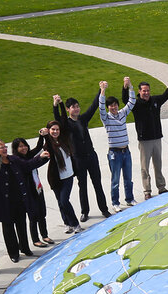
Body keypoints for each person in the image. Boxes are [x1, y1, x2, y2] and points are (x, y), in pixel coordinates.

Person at [53, 92, 111, 221]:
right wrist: (56, 105)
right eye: (73, 107)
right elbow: (57, 119)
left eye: (77, 106)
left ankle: (104, 209)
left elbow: (93, 106)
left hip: (91, 156)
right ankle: (85, 211)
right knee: (82, 185)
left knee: (97, 183)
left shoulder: (83, 119)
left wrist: (101, 92)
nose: (77, 108)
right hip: (78, 159)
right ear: (68, 109)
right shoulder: (66, 124)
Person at [126, 77, 168, 200]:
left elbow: (166, 95)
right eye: (144, 91)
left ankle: (161, 187)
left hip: (156, 138)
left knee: (158, 164)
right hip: (144, 141)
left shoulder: (155, 101)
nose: (146, 93)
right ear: (139, 92)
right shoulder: (136, 104)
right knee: (145, 167)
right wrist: (126, 87)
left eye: (148, 90)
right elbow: (124, 100)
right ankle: (147, 190)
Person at [100, 78, 137, 212]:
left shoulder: (122, 114)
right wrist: (103, 90)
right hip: (114, 153)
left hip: (126, 152)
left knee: (128, 178)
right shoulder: (106, 118)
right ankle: (115, 202)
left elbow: (132, 102)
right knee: (115, 181)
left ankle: (129, 199)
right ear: (108, 107)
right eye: (111, 105)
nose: (114, 107)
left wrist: (130, 86)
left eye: (115, 105)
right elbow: (100, 107)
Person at [11, 134, 54, 249]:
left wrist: (42, 136)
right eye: (20, 146)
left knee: (42, 213)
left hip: (38, 188)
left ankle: (44, 235)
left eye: (25, 145)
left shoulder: (29, 155)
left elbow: (39, 147)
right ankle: (35, 239)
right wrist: (41, 157)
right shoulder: (17, 160)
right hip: (28, 191)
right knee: (33, 215)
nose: (24, 148)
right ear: (16, 149)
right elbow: (30, 165)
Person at [44, 120, 83, 234]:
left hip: (68, 176)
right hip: (56, 178)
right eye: (53, 129)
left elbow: (63, 119)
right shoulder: (48, 145)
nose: (55, 131)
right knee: (60, 202)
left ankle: (75, 224)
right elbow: (48, 148)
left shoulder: (64, 140)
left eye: (57, 129)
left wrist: (58, 105)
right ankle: (67, 223)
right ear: (49, 131)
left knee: (64, 201)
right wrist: (44, 136)